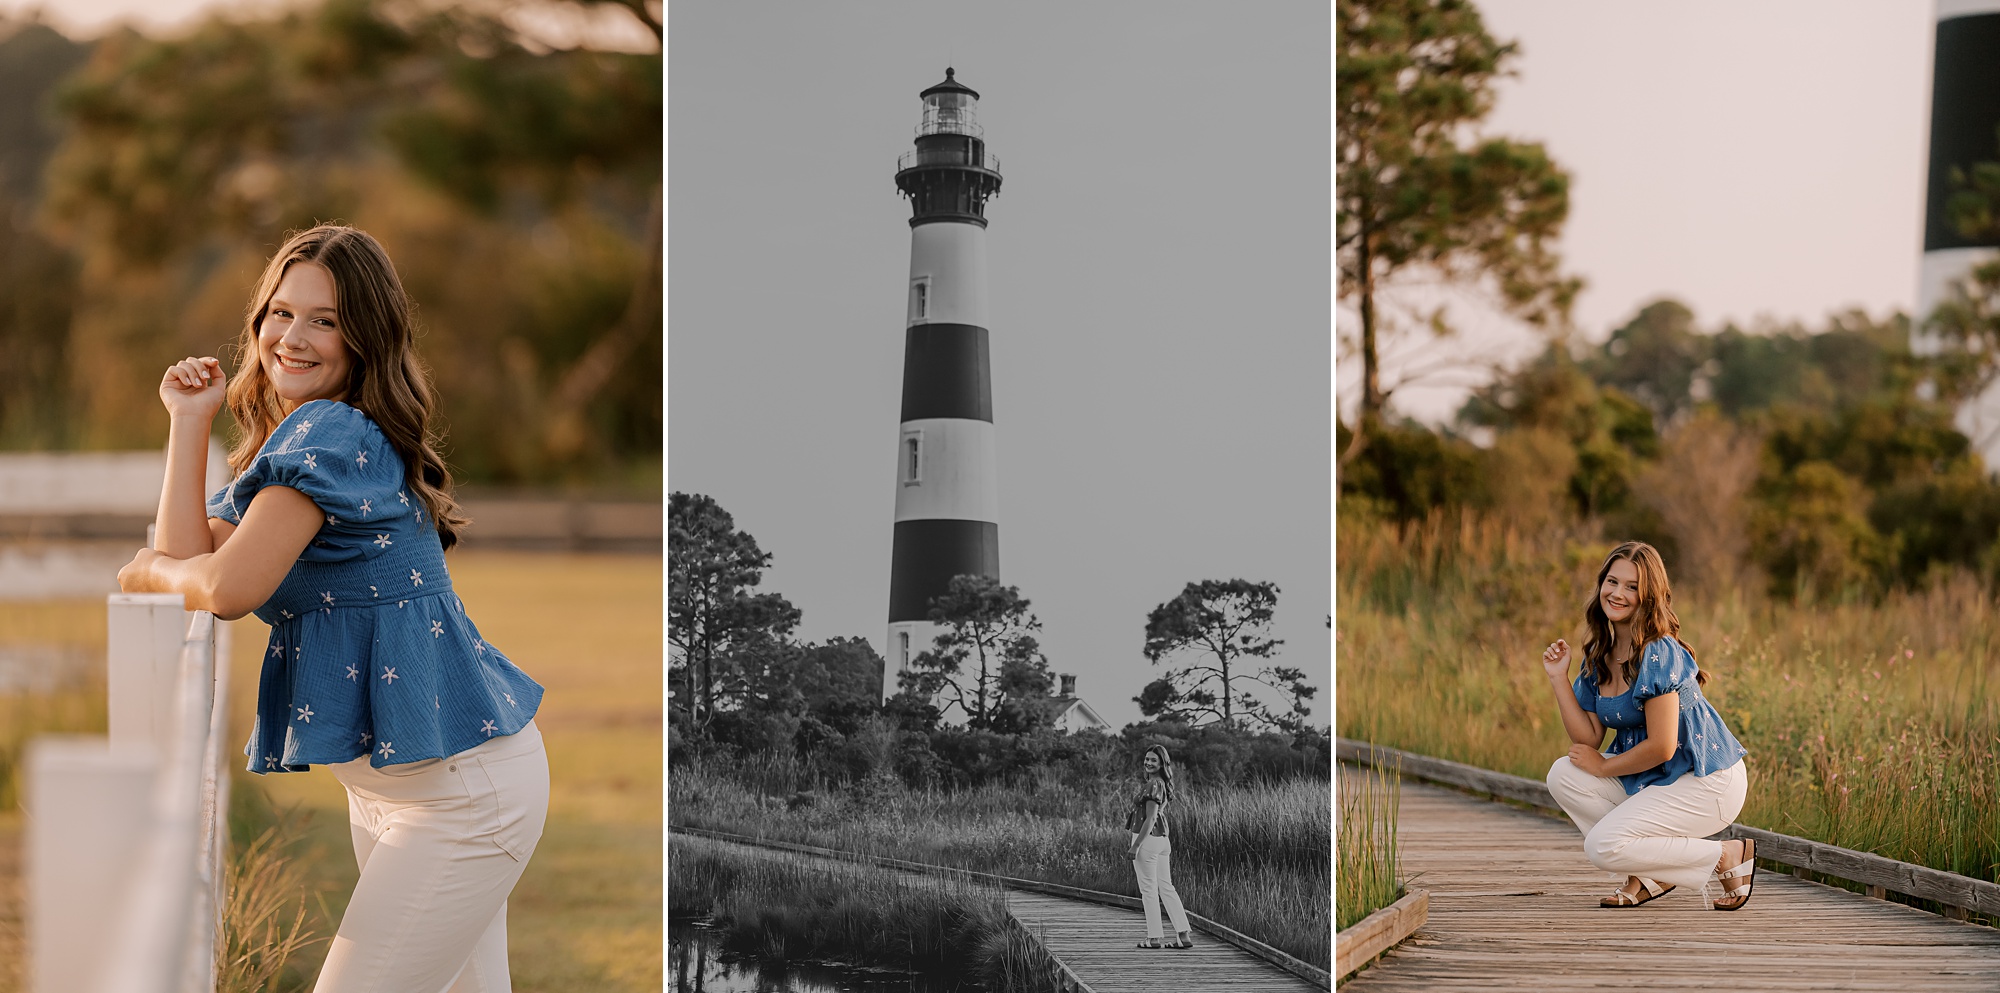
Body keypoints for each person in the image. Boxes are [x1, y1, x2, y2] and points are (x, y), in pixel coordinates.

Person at [117, 225, 548, 991]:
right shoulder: (304, 436)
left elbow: (219, 587)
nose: (293, 336)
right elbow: (201, 554)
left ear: (366, 338)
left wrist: (149, 570)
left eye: (325, 319)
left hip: (458, 798)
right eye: (281, 312)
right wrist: (189, 424)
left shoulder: (334, 432)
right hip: (408, 789)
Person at [1538, 541, 1755, 911]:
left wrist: (1604, 766)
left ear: (1649, 596)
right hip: (1657, 779)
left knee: (1603, 846)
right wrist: (1558, 678)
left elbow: (1662, 746)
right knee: (1563, 773)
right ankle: (1651, 873)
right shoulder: (1600, 654)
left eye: (1632, 586)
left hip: (1706, 781)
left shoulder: (1658, 651)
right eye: (1612, 581)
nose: (1617, 593)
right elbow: (1588, 738)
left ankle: (1724, 854)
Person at [1126, 742, 1193, 949]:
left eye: (1153, 760)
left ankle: (1153, 938)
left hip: (1148, 840)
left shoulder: (1153, 785)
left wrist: (1135, 846)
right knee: (1166, 887)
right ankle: (1183, 936)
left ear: (1162, 763)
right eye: (1146, 759)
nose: (1148, 763)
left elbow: (1151, 818)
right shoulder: (1163, 783)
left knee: (1148, 890)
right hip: (1162, 841)